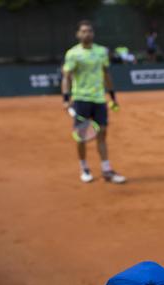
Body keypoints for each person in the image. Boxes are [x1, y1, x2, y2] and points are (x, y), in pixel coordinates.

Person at [62, 20, 126, 184]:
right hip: (81, 99)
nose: (87, 34)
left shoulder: (101, 52)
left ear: (93, 33)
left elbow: (106, 74)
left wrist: (112, 96)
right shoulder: (72, 54)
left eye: (89, 31)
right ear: (78, 34)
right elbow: (67, 77)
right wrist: (66, 98)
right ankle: (84, 167)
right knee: (81, 137)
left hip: (99, 99)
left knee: (102, 133)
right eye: (83, 31)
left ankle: (106, 171)